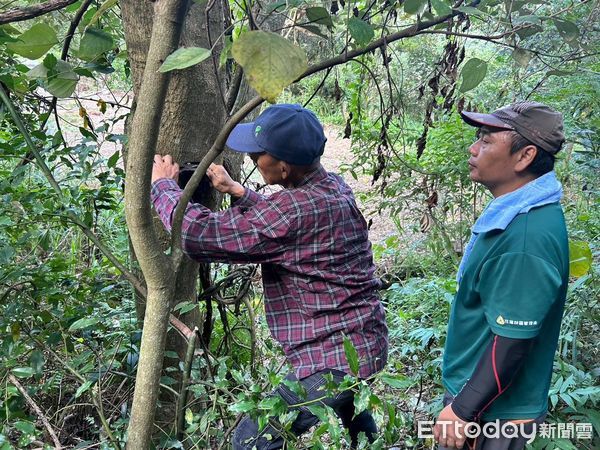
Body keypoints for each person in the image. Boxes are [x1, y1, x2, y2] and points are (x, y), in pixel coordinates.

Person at [150, 103, 388, 449]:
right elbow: (295, 227)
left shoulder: (291, 211)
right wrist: (241, 193)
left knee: (251, 440)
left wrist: (163, 187)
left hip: (333, 360)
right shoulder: (333, 186)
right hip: (365, 343)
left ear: (284, 167)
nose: (253, 158)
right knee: (351, 408)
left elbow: (200, 235)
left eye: (260, 154)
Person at [433, 101, 569, 450]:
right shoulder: (515, 211)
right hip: (483, 399)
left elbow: (512, 341)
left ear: (524, 157)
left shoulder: (525, 239)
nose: (473, 147)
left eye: (487, 139)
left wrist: (463, 411)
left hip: (494, 413)